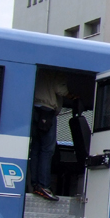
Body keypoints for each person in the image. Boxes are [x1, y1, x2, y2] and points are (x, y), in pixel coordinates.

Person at [29, 70, 71, 201]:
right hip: (47, 111)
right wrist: (71, 94)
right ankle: (44, 185)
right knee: (47, 150)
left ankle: (35, 184)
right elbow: (60, 90)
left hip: (34, 109)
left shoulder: (38, 70)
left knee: (35, 148)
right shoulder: (56, 70)